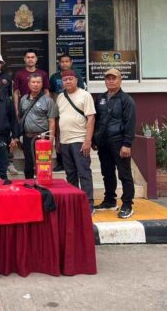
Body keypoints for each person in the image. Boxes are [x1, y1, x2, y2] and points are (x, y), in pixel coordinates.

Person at [93, 68, 136, 219]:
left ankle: (127, 204)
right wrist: (95, 139)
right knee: (107, 173)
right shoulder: (100, 98)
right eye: (108, 78)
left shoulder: (126, 100)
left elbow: (130, 123)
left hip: (119, 141)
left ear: (120, 80)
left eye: (114, 78)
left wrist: (127, 144)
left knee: (124, 174)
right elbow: (96, 120)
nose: (111, 81)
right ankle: (110, 200)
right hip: (103, 142)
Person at [56, 70, 96, 213]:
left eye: (70, 79)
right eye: (65, 79)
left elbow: (91, 118)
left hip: (80, 140)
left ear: (76, 80)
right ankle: (74, 203)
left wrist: (88, 141)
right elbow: (59, 118)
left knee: (84, 173)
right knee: (70, 174)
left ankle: (88, 204)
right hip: (65, 141)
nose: (68, 81)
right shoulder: (60, 97)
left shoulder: (85, 95)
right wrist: (58, 140)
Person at [49, 53, 86, 172]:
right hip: (59, 107)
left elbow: (81, 91)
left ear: (71, 62)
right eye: (62, 61)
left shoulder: (77, 76)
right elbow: (52, 93)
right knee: (59, 135)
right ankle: (60, 161)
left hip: (73, 109)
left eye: (67, 61)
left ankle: (74, 161)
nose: (64, 64)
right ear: (59, 63)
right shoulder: (54, 77)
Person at [19, 74, 58, 180]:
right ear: (28, 84)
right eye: (33, 82)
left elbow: (52, 121)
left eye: (38, 82)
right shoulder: (23, 99)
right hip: (27, 137)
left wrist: (51, 140)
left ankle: (43, 186)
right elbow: (21, 117)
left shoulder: (48, 100)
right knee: (28, 166)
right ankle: (29, 186)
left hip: (42, 138)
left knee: (43, 165)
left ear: (42, 84)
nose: (35, 85)